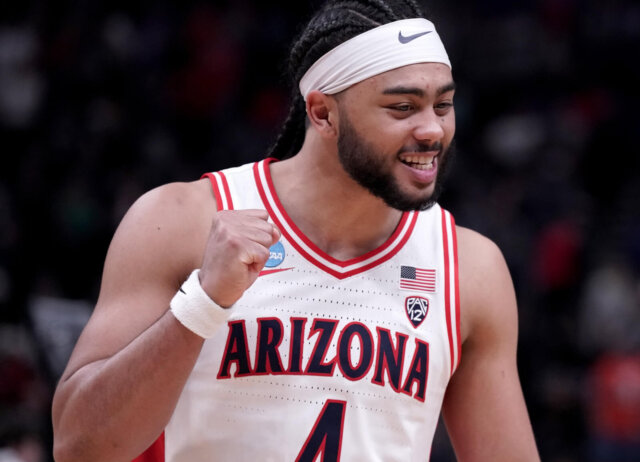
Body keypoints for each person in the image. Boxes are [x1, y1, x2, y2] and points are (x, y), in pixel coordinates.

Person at [51, 1, 540, 460]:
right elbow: (79, 446)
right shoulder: (182, 220)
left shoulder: (469, 269)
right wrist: (202, 303)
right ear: (323, 112)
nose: (432, 129)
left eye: (443, 104)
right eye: (403, 107)